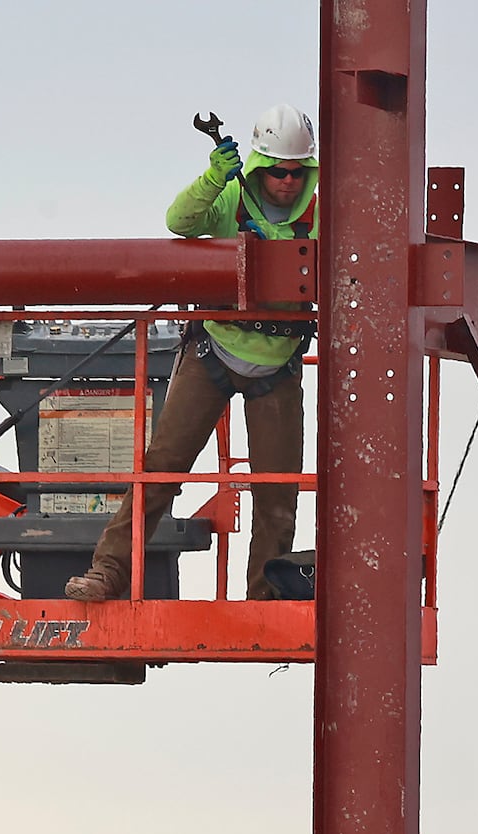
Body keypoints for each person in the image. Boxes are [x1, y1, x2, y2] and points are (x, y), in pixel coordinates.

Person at [65, 104, 320, 603]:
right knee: (161, 468)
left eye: (296, 171)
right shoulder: (229, 196)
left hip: (277, 363)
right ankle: (108, 571)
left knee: (278, 492)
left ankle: (264, 598)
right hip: (214, 350)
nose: (287, 181)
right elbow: (180, 221)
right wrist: (212, 179)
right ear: (259, 167)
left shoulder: (321, 214)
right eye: (277, 170)